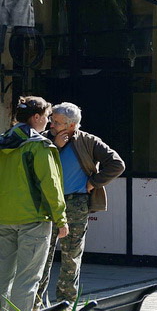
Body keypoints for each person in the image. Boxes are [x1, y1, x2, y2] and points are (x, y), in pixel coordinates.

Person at [37, 102, 125, 307]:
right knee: (43, 255)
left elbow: (117, 164)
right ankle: (38, 303)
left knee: (71, 256)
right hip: (48, 202)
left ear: (71, 125)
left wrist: (94, 182)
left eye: (57, 122)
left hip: (77, 202)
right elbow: (34, 164)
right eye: (52, 119)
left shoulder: (88, 141)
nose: (51, 124)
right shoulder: (44, 140)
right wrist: (55, 147)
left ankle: (66, 303)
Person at [0, 96, 68, 311]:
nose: (48, 122)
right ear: (35, 117)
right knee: (27, 280)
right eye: (47, 117)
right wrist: (61, 219)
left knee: (2, 276)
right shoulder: (39, 146)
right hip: (34, 220)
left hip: (3, 219)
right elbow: (51, 185)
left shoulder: (2, 142)